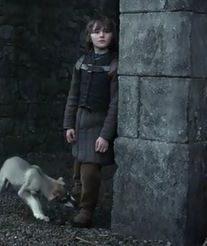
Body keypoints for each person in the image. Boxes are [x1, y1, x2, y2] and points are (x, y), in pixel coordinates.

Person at [63, 15, 118, 228]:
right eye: (96, 31)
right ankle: (77, 196)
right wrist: (68, 124)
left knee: (90, 170)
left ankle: (87, 210)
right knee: (78, 163)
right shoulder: (81, 63)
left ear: (112, 35)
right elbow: (73, 96)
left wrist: (106, 134)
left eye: (105, 31)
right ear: (90, 36)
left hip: (100, 121)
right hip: (80, 120)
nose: (101, 35)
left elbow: (115, 103)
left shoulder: (115, 64)